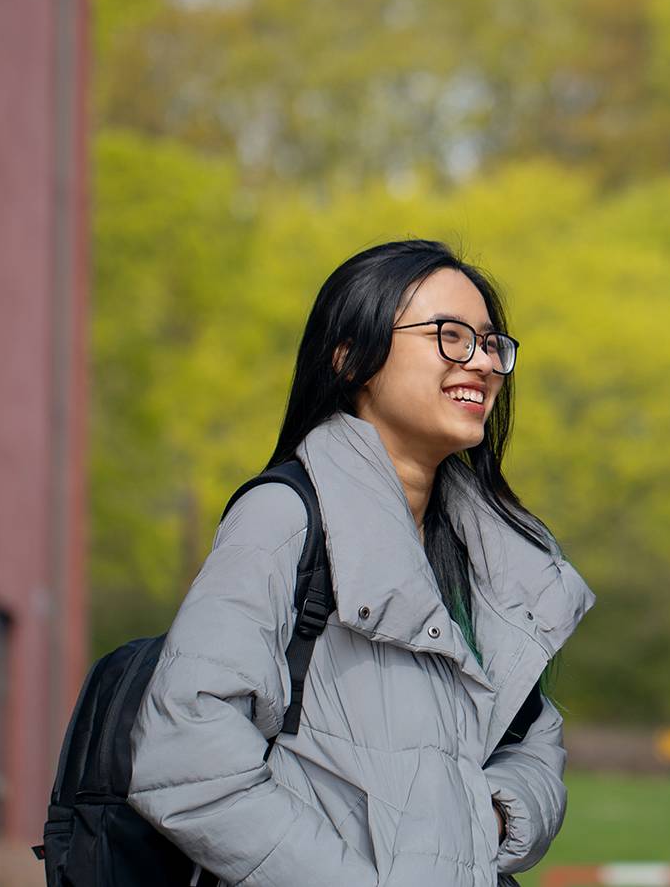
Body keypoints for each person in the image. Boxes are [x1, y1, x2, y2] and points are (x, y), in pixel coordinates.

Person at [128, 239, 593, 887]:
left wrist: (482, 821)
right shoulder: (285, 516)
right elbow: (184, 756)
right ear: (350, 358)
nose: (482, 361)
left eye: (491, 342)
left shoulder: (494, 561)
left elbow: (533, 739)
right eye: (450, 335)